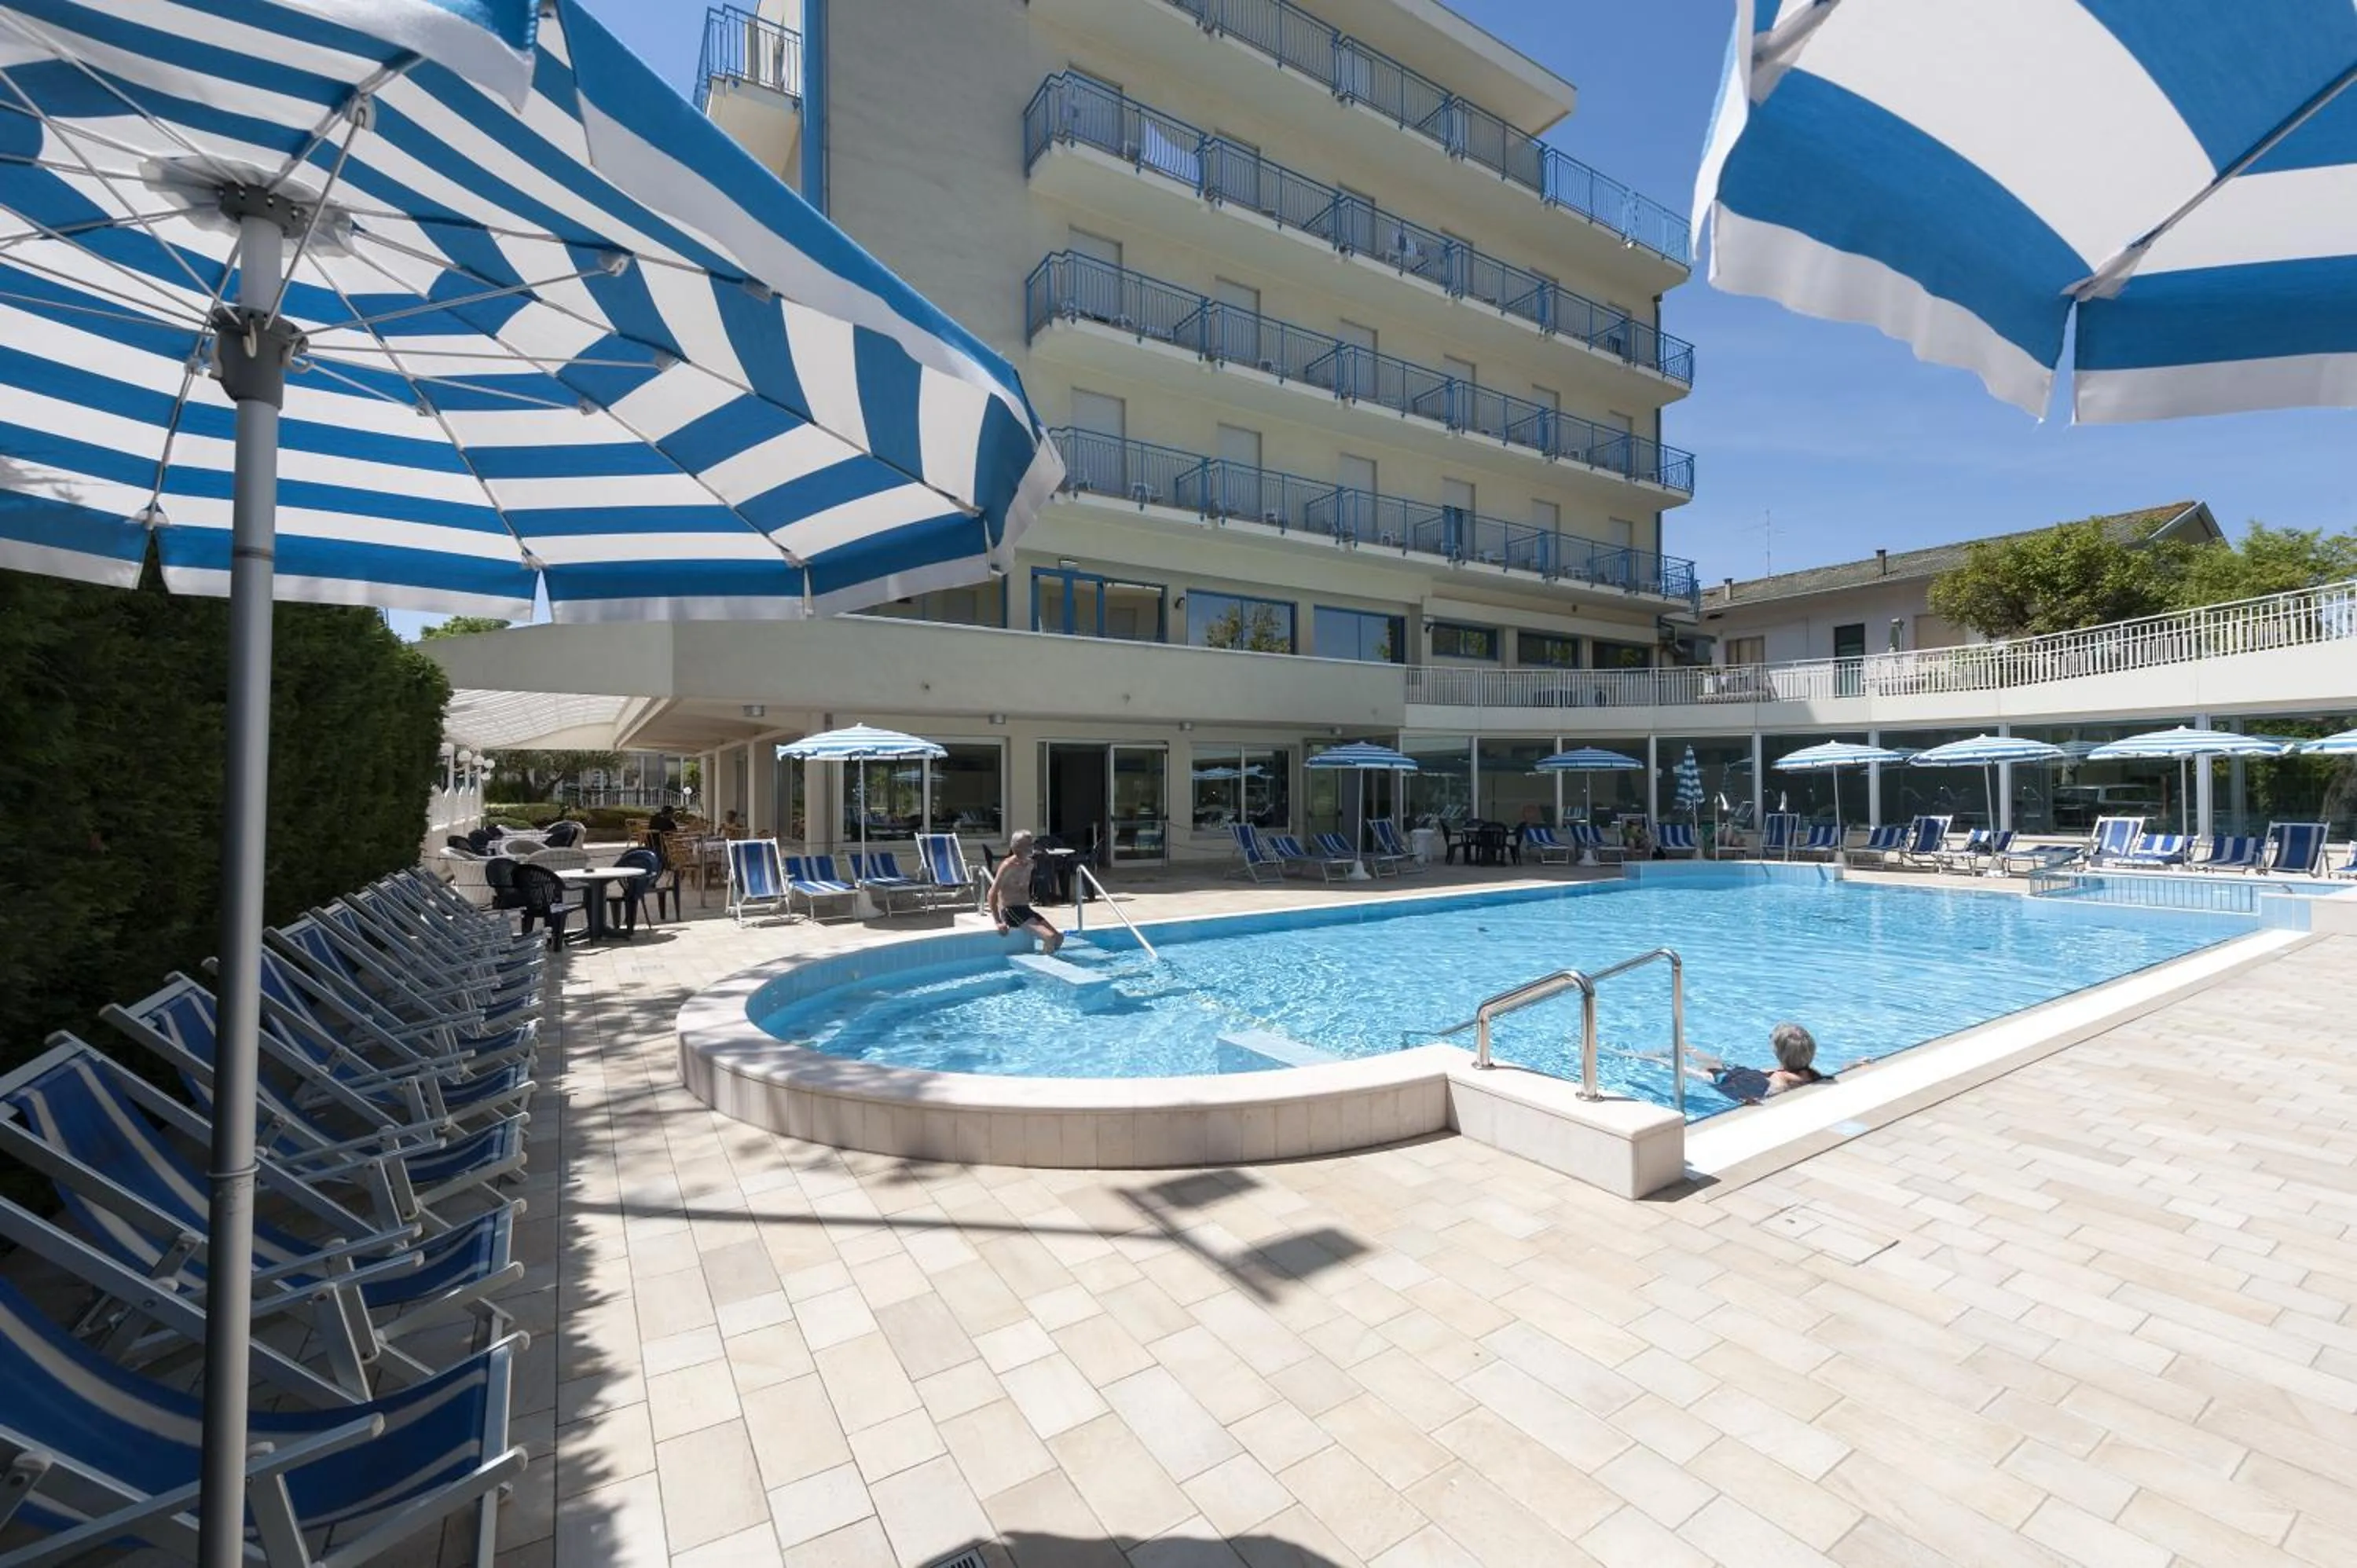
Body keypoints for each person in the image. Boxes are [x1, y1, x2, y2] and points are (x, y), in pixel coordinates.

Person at [988, 830, 1063, 954]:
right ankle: (1046, 965)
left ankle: (1049, 957)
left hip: (1026, 909)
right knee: (1049, 938)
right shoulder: (1008, 866)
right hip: (1011, 910)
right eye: (1028, 845)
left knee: (1058, 938)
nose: (1031, 847)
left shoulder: (1030, 863)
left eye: (1031, 844)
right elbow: (992, 894)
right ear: (1017, 847)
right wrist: (998, 922)